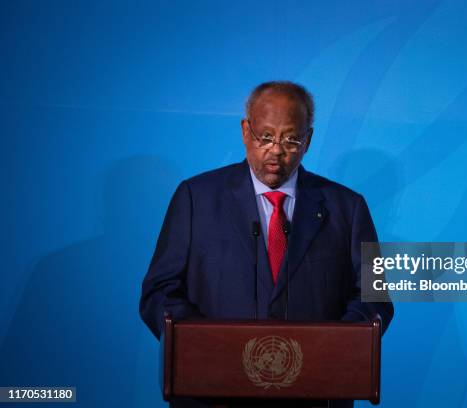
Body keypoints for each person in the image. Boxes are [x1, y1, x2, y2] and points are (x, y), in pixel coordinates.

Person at [139, 81, 393, 408]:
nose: (276, 150)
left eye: (291, 139)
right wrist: (200, 343)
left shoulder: (348, 207)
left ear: (308, 140)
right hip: (212, 393)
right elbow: (159, 290)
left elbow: (374, 297)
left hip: (316, 395)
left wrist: (332, 348)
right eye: (266, 137)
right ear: (246, 131)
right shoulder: (195, 198)